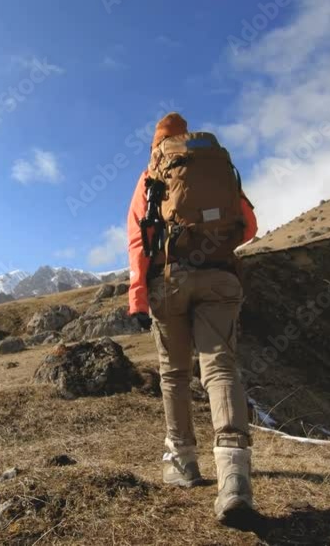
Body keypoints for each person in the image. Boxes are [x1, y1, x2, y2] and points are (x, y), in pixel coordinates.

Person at [126, 112, 258, 523]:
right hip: (219, 276)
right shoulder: (216, 165)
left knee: (174, 375)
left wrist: (138, 296)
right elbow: (249, 225)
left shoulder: (152, 175)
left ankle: (183, 461)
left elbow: (138, 241)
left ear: (156, 143)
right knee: (220, 369)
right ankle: (234, 473)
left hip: (172, 280)